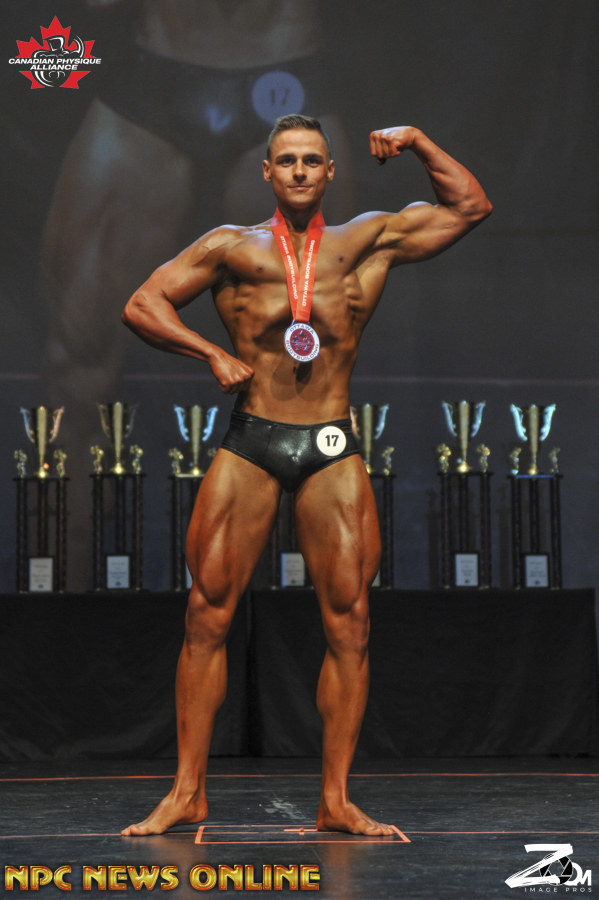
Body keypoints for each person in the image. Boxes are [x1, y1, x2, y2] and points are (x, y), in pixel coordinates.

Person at [120, 115, 492, 837]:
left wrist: (418, 142)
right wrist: (209, 353)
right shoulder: (230, 247)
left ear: (329, 172)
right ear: (267, 172)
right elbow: (142, 304)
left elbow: (470, 207)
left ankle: (335, 800)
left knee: (350, 622)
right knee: (206, 614)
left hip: (330, 442)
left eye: (311, 161)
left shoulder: (367, 241)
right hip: (253, 439)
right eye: (286, 160)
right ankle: (187, 793)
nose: (298, 171)